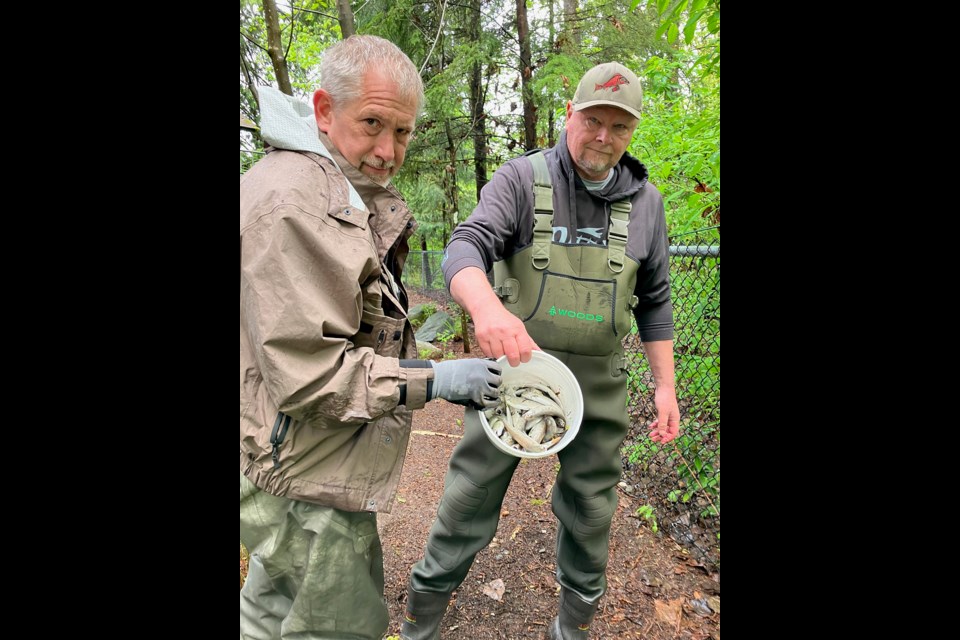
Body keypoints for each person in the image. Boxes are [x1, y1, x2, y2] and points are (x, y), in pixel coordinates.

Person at [400, 61, 681, 640]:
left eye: (619, 127)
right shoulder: (522, 180)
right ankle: (421, 617)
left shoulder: (648, 205)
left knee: (592, 513)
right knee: (467, 499)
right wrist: (487, 309)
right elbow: (466, 247)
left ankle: (572, 626)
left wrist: (666, 386)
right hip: (510, 381)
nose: (604, 137)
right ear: (569, 115)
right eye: (593, 121)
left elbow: (654, 303)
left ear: (632, 134)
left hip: (598, 390)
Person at [240, 35, 503, 640]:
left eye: (403, 132)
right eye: (373, 124)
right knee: (335, 622)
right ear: (324, 110)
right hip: (310, 473)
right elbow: (311, 377)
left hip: (279, 456)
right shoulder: (298, 204)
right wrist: (437, 378)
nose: (389, 150)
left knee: (272, 600)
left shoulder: (322, 183)